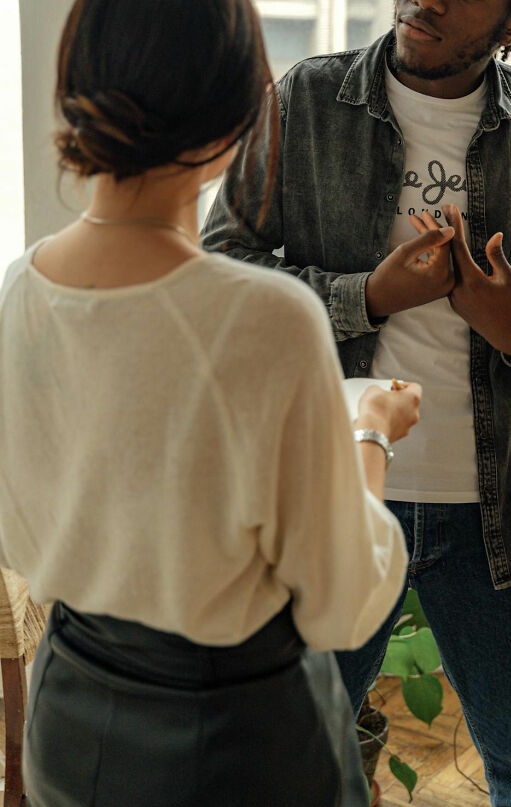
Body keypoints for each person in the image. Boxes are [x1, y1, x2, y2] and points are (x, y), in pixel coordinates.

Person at [0, 1, 453, 805]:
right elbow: (344, 603)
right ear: (230, 123)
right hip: (235, 740)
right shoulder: (265, 318)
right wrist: (370, 431)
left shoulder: (18, 294)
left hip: (70, 712)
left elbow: (23, 531)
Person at [202, 0, 511, 804]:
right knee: (291, 773)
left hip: (500, 519)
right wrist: (369, 295)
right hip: (336, 500)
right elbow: (226, 267)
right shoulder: (306, 102)